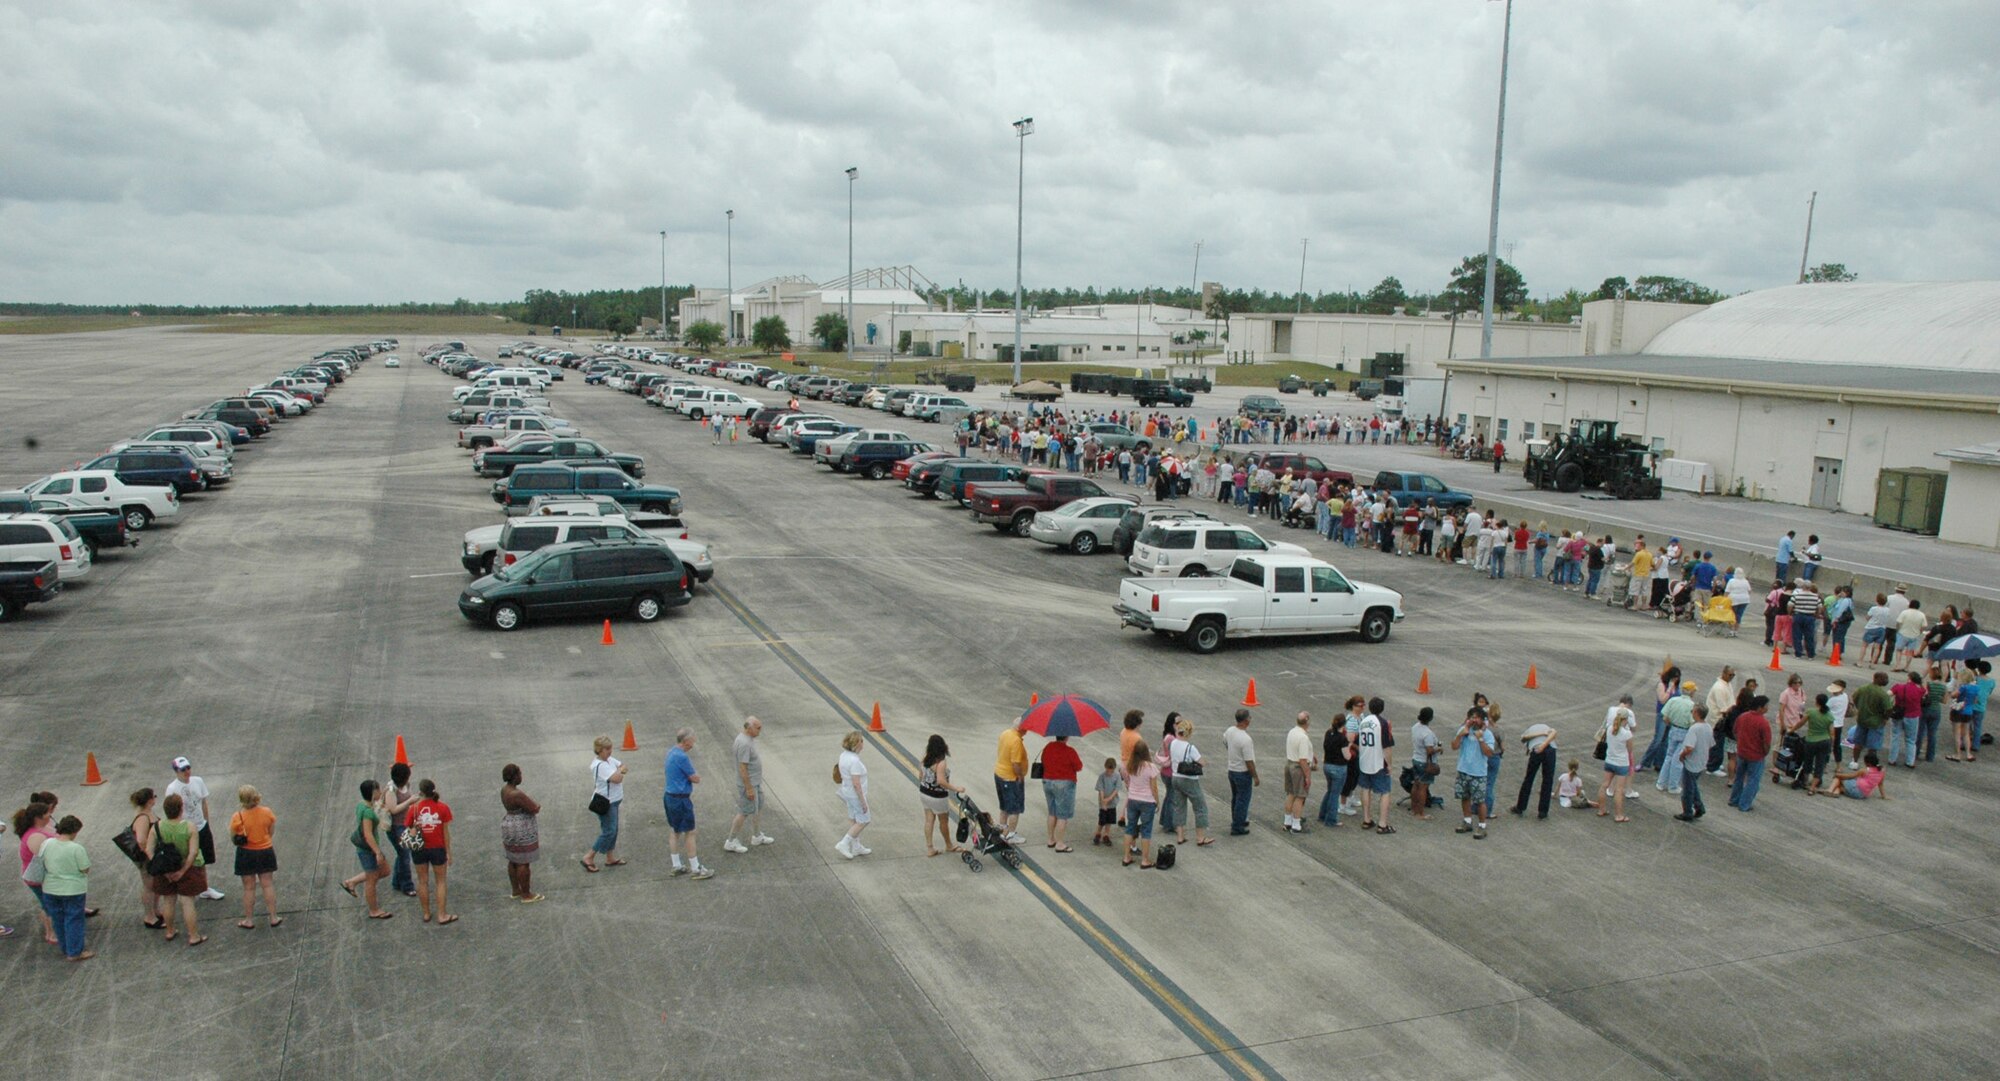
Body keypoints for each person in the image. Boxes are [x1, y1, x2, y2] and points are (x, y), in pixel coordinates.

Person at [165, 756, 225, 901]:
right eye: (183, 769)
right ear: (176, 771)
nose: (187, 771)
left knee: (203, 859)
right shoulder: (172, 789)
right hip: (186, 829)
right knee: (188, 859)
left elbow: (203, 802)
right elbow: (171, 811)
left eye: (188, 768)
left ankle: (204, 888)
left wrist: (206, 821)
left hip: (201, 826)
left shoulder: (198, 781)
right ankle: (188, 888)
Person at [154, 793, 208, 946]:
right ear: (181, 808)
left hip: (166, 870)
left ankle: (170, 931)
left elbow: (149, 850)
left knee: (168, 901)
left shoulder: (157, 827)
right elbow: (193, 852)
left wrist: (165, 871)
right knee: (187, 902)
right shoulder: (189, 827)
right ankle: (193, 935)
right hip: (186, 868)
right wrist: (182, 871)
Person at [38, 816, 92, 961]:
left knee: (58, 919)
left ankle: (66, 947)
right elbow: (84, 868)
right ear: (74, 831)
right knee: (74, 919)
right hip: (73, 889)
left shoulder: (47, 843)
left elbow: (41, 861)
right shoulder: (76, 848)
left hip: (51, 888)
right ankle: (74, 952)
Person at [662, 728, 712, 881]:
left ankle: (676, 864)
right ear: (685, 741)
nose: (693, 744)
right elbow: (694, 778)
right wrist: (696, 777)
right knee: (690, 832)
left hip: (669, 797)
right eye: (692, 741)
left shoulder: (671, 752)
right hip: (681, 799)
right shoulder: (682, 757)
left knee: (674, 831)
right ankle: (695, 867)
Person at [339, 780, 393, 919]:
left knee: (384, 870)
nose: (380, 791)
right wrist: (377, 852)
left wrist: (385, 792)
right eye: (378, 789)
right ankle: (374, 910)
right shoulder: (368, 812)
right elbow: (368, 834)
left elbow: (376, 804)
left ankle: (352, 882)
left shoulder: (362, 805)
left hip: (369, 848)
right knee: (372, 880)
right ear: (373, 792)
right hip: (369, 850)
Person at [405, 779, 458, 921]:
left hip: (419, 848)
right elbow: (445, 832)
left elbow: (409, 827)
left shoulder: (414, 809)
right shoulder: (442, 808)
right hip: (437, 847)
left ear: (421, 792)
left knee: (422, 881)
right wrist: (448, 851)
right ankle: (442, 914)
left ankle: (426, 913)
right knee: (440, 881)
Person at [229, 786, 279, 930]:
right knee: (267, 884)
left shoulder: (237, 817)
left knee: (249, 888)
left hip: (246, 854)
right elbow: (271, 831)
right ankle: (273, 917)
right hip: (265, 851)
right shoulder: (267, 812)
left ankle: (249, 919)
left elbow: (233, 838)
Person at [724, 717, 775, 854]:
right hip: (749, 784)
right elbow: (742, 768)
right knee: (744, 812)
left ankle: (757, 835)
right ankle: (731, 841)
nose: (760, 731)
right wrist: (749, 788)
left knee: (757, 807)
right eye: (758, 728)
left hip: (755, 783)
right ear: (749, 728)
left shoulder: (747, 740)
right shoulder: (744, 744)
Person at [1164, 719, 1213, 846]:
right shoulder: (1190, 748)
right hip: (1189, 780)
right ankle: (1200, 837)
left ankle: (1180, 836)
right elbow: (1201, 762)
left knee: (1179, 807)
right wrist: (1205, 762)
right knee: (1200, 807)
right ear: (1189, 733)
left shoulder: (1172, 743)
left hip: (1175, 777)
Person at [582, 736, 627, 873]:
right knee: (609, 831)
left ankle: (610, 857)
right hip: (607, 802)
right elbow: (617, 778)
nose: (610, 751)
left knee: (613, 830)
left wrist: (620, 770)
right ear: (599, 750)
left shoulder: (608, 760)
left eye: (610, 748)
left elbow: (622, 766)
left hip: (614, 800)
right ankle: (589, 856)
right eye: (607, 749)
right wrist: (620, 771)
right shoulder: (600, 765)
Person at [499, 764, 543, 902]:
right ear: (515, 776)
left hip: (508, 824)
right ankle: (526, 894)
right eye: (519, 774)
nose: (521, 777)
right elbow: (533, 807)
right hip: (521, 827)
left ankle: (516, 890)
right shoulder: (516, 794)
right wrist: (537, 806)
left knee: (513, 858)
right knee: (523, 861)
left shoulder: (504, 790)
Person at [1450, 708, 1496, 838]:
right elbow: (1454, 746)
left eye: (1476, 717)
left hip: (1478, 773)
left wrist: (1480, 739)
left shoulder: (1487, 734)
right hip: (1463, 770)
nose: (1474, 720)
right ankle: (1467, 821)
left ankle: (1482, 826)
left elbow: (1489, 753)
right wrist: (1460, 735)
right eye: (1471, 717)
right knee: (1464, 797)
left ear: (1482, 719)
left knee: (1480, 801)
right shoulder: (1464, 730)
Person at [918, 735, 965, 857]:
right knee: (943, 821)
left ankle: (930, 848)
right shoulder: (941, 762)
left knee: (929, 820)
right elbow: (941, 781)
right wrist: (956, 788)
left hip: (924, 792)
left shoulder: (925, 759)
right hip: (937, 796)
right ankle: (949, 845)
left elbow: (920, 775)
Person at [1355, 698, 1396, 834]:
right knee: (1385, 792)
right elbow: (1387, 747)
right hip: (1378, 762)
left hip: (1364, 760)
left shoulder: (1363, 721)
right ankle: (1382, 823)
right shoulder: (1382, 723)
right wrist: (1389, 764)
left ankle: (1367, 819)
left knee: (1365, 788)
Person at [1594, 696, 1637, 822]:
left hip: (1609, 760)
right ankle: (1619, 815)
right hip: (1621, 763)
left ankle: (1602, 809)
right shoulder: (1626, 734)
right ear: (1626, 719)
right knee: (1619, 790)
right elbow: (1629, 750)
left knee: (1604, 785)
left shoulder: (1609, 730)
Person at [1121, 740, 1162, 868]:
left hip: (1133, 799)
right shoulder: (1151, 767)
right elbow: (1154, 788)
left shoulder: (1130, 766)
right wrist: (1157, 801)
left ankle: (1127, 857)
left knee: (1130, 828)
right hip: (1147, 801)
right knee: (1146, 830)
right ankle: (1145, 860)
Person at [1040, 734, 1084, 852]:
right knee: (1062, 815)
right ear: (1067, 737)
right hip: (1064, 783)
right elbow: (1078, 766)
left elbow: (1043, 760)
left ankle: (1050, 839)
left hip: (1048, 781)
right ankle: (1060, 844)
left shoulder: (1048, 747)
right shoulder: (1070, 751)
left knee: (1052, 812)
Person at [1729, 696, 1773, 812]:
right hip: (1756, 755)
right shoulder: (1763, 723)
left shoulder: (1742, 717)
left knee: (1739, 777)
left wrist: (1741, 743)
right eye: (1766, 706)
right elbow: (1766, 742)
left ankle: (1734, 799)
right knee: (1753, 780)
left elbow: (1735, 732)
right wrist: (1764, 752)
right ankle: (1744, 804)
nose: (1767, 708)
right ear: (1760, 708)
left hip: (1742, 752)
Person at [1656, 680, 1698, 794]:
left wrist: (1672, 723)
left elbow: (1665, 717)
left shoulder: (1673, 700)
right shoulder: (1692, 705)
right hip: (1685, 732)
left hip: (1673, 729)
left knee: (1669, 756)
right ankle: (1673, 785)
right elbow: (1692, 722)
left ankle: (1661, 782)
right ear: (1691, 692)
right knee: (1678, 759)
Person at [1673, 707, 1715, 822]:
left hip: (1692, 762)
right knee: (1693, 785)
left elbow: (1689, 747)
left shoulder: (1694, 729)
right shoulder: (1708, 727)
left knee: (1687, 789)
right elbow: (1711, 744)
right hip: (1702, 761)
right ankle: (1699, 806)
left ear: (1696, 713)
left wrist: (1682, 756)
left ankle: (1687, 812)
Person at [383, 762, 418, 898]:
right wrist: (409, 802)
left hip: (405, 823)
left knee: (402, 854)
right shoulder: (391, 790)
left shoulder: (404, 786)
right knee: (404, 856)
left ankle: (397, 881)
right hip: (396, 826)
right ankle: (407, 885)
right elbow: (393, 809)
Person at [835, 731, 871, 858]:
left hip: (846, 791)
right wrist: (863, 801)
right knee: (864, 820)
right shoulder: (855, 761)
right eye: (861, 741)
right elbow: (857, 783)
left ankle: (856, 846)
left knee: (854, 818)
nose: (863, 744)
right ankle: (844, 843)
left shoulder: (843, 756)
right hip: (855, 795)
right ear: (856, 744)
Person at [993, 720, 1030, 845]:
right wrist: (1020, 775)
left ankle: (1002, 828)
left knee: (1004, 805)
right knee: (1014, 809)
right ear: (1021, 729)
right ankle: (1011, 834)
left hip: (999, 774)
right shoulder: (1016, 741)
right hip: (1010, 778)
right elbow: (1015, 763)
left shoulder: (1005, 733)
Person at [1511, 723, 1558, 819]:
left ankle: (1520, 807)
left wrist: (1542, 746)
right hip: (1551, 751)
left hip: (1537, 750)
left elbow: (1524, 737)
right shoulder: (1547, 728)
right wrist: (1544, 739)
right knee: (1548, 780)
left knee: (1529, 778)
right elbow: (1554, 732)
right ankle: (1543, 811)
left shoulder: (1529, 732)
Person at [1848, 671, 1894, 769]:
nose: (1886, 681)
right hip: (1876, 722)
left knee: (1858, 743)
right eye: (1884, 678)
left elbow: (1854, 699)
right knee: (1873, 746)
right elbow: (1889, 709)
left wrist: (1860, 709)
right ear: (1876, 678)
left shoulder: (1862, 689)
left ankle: (1854, 762)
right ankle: (1870, 765)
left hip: (1862, 719)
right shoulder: (1882, 694)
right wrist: (1885, 719)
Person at [1223, 708, 1258, 835]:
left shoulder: (1230, 731)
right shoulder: (1246, 739)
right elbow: (1249, 761)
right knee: (1243, 799)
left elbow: (1225, 741)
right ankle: (1237, 826)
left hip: (1232, 770)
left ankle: (1237, 819)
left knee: (1236, 797)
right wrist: (1255, 777)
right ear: (1246, 721)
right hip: (1242, 773)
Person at [1791, 694, 1835, 791]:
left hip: (1811, 741)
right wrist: (1831, 745)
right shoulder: (1830, 715)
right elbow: (1832, 733)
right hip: (1825, 741)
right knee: (1820, 764)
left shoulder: (1811, 712)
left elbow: (1801, 723)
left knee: (1808, 762)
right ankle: (1813, 787)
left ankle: (1805, 781)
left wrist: (1792, 730)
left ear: (1817, 701)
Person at [1282, 711, 1315, 834]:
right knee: (1300, 796)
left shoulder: (1292, 732)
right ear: (1307, 722)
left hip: (1289, 763)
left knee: (1291, 793)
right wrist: (1307, 776)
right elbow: (1302, 760)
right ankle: (1296, 825)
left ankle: (1288, 821)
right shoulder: (1303, 737)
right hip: (1298, 768)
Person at [1407, 707, 1441, 821]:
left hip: (1416, 758)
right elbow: (1429, 750)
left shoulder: (1415, 727)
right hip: (1424, 762)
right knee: (1423, 787)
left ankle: (1413, 808)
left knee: (1415, 785)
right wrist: (1439, 749)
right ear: (1430, 718)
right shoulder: (1427, 734)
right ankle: (1420, 812)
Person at [1890, 671, 1926, 768]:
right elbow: (1925, 693)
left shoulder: (1899, 687)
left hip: (1898, 714)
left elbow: (1888, 694)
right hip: (1913, 715)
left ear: (1909, 678)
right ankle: (1910, 761)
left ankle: (1892, 759)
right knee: (1911, 740)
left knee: (1895, 736)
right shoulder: (1920, 690)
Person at [1821, 751, 1890, 800]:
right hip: (1863, 795)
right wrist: (1884, 796)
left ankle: (1829, 790)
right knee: (1840, 786)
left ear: (1868, 763)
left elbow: (1850, 776)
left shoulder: (1865, 770)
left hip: (1856, 789)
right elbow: (1880, 784)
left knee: (1838, 778)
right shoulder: (1882, 771)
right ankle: (1836, 792)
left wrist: (1838, 775)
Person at [1092, 758, 1119, 847]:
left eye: (1111, 771)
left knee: (1109, 820)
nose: (1109, 772)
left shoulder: (1117, 776)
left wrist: (1109, 799)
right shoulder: (1102, 776)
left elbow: (1116, 789)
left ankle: (1106, 834)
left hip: (1112, 803)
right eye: (1107, 770)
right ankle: (1098, 833)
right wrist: (1103, 801)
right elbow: (1101, 789)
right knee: (1102, 820)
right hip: (1103, 803)